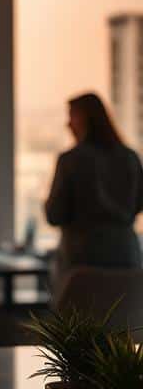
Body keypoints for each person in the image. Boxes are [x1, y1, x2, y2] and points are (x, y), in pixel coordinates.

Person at [45, 92, 143, 287]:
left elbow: (54, 214)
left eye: (71, 116)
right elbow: (139, 204)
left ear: (83, 119)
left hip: (83, 260)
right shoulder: (130, 157)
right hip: (126, 258)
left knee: (79, 316)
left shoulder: (71, 160)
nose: (68, 124)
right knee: (123, 315)